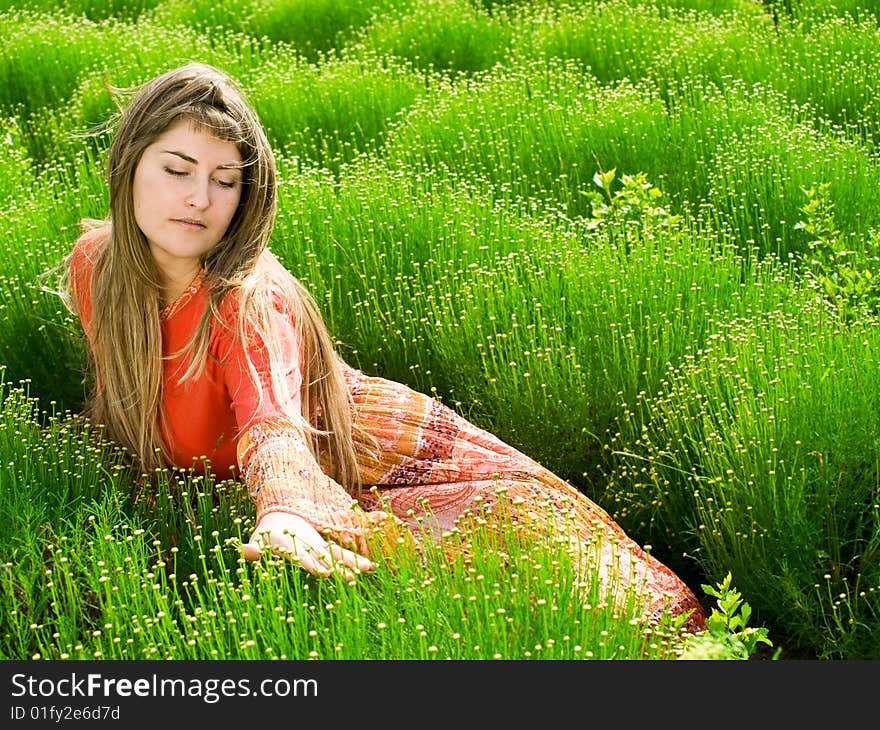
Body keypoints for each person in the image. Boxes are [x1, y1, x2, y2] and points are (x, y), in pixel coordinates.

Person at [59, 62, 705, 633]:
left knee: (557, 568)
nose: (199, 198)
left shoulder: (249, 299)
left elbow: (274, 424)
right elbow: (135, 392)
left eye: (225, 180)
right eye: (177, 170)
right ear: (129, 163)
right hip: (239, 490)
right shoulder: (94, 265)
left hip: (358, 455)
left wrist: (285, 509)